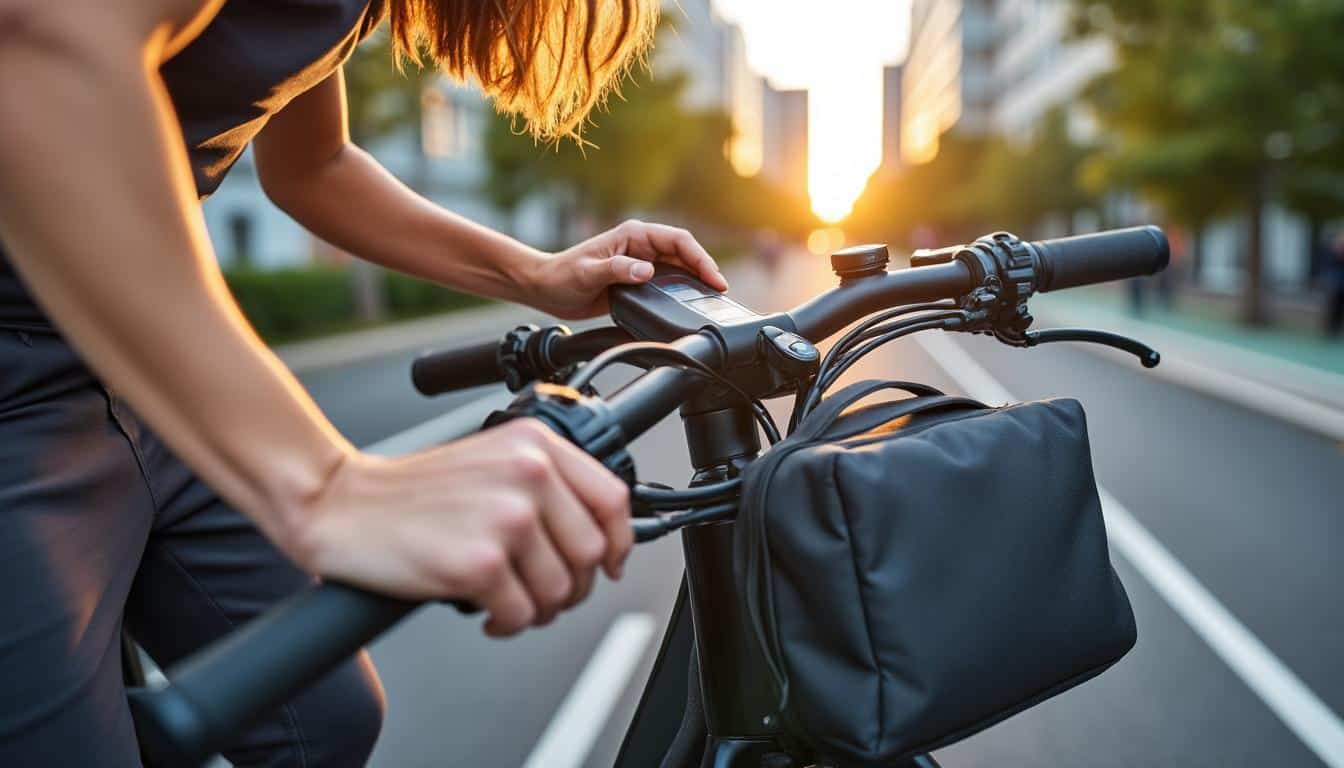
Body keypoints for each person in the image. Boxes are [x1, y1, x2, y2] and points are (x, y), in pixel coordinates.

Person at [0, 0, 727, 765]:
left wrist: (536, 275)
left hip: (129, 362)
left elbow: (313, 167)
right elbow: (38, 46)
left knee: (324, 720)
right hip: (22, 385)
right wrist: (323, 487)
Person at [1323, 232, 1344, 339]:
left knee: (1339, 308)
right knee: (1333, 307)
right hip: (1336, 284)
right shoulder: (1333, 255)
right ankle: (1330, 329)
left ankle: (1336, 328)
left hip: (1340, 284)